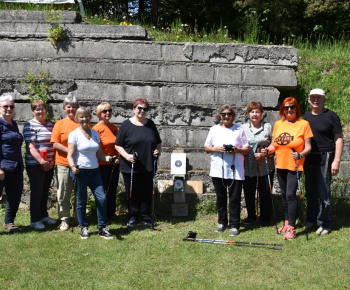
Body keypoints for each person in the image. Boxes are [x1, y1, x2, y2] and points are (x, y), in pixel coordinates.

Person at [262, 97, 313, 240]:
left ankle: (291, 227)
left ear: (297, 108)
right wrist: (267, 151)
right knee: (284, 195)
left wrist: (300, 154)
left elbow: (308, 147)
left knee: (290, 195)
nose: (289, 110)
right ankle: (286, 222)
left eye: (292, 107)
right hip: (281, 164)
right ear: (282, 110)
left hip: (295, 165)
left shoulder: (304, 124)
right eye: (286, 107)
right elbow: (274, 145)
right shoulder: (278, 124)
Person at [68, 107, 116, 239]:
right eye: (81, 117)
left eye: (86, 116)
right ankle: (83, 227)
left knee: (102, 198)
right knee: (81, 200)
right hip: (80, 171)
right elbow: (70, 155)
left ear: (90, 117)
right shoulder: (74, 134)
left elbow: (100, 154)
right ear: (77, 119)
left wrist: (111, 158)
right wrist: (72, 167)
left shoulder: (95, 133)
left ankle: (102, 227)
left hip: (95, 170)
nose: (84, 119)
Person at [115, 98, 162, 228]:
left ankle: (146, 216)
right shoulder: (126, 125)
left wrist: (157, 150)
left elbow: (158, 142)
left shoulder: (151, 124)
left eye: (145, 108)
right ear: (134, 109)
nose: (142, 110)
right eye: (139, 108)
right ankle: (133, 216)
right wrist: (126, 156)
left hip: (148, 164)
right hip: (130, 165)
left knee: (146, 191)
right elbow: (118, 145)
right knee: (132, 192)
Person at [204, 104, 249, 236]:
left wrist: (237, 150)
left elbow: (246, 149)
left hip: (236, 169)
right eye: (224, 114)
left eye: (229, 114)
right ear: (220, 115)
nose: (226, 116)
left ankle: (235, 225)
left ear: (233, 116)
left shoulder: (239, 130)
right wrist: (216, 149)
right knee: (221, 197)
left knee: (234, 198)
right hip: (218, 169)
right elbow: (206, 147)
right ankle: (222, 222)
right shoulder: (214, 129)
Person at [304, 89, 343, 235]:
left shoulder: (331, 116)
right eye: (313, 97)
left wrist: (336, 161)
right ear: (309, 100)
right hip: (309, 158)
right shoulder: (306, 116)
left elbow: (339, 139)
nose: (316, 100)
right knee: (310, 192)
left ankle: (325, 224)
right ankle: (311, 220)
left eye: (319, 97)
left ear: (324, 99)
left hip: (325, 157)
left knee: (324, 193)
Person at [23, 100, 56, 230]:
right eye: (37, 109)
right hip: (36, 165)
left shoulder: (50, 125)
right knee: (37, 192)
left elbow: (53, 143)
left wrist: (50, 162)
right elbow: (31, 147)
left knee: (44, 191)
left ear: (45, 110)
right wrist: (42, 161)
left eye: (42, 109)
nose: (40, 111)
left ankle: (43, 215)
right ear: (32, 111)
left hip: (49, 164)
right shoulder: (29, 125)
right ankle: (34, 219)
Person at [241, 101, 275, 227]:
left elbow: (274, 144)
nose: (254, 114)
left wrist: (266, 152)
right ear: (248, 113)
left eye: (257, 111)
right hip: (248, 165)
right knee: (249, 192)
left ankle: (265, 218)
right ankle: (251, 216)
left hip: (265, 165)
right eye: (252, 111)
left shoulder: (268, 127)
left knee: (265, 192)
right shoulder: (243, 128)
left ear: (261, 113)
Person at [50, 96, 80, 231]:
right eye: (68, 106)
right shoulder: (59, 124)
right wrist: (70, 151)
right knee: (63, 192)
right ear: (64, 108)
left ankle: (80, 218)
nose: (71, 109)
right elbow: (55, 143)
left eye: (74, 106)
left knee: (80, 191)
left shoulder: (83, 122)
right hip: (63, 163)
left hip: (80, 164)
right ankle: (64, 219)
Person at [0, 95, 24, 233]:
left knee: (15, 195)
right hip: (3, 166)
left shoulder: (13, 124)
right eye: (5, 106)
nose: (9, 109)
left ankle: (9, 222)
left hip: (15, 166)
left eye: (11, 106)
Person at [93, 102, 120, 221]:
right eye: (104, 111)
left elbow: (119, 144)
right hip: (101, 165)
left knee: (112, 189)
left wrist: (118, 157)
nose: (107, 113)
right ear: (99, 114)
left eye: (109, 110)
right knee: (102, 191)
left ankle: (111, 213)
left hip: (114, 164)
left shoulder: (114, 127)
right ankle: (101, 214)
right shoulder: (96, 129)